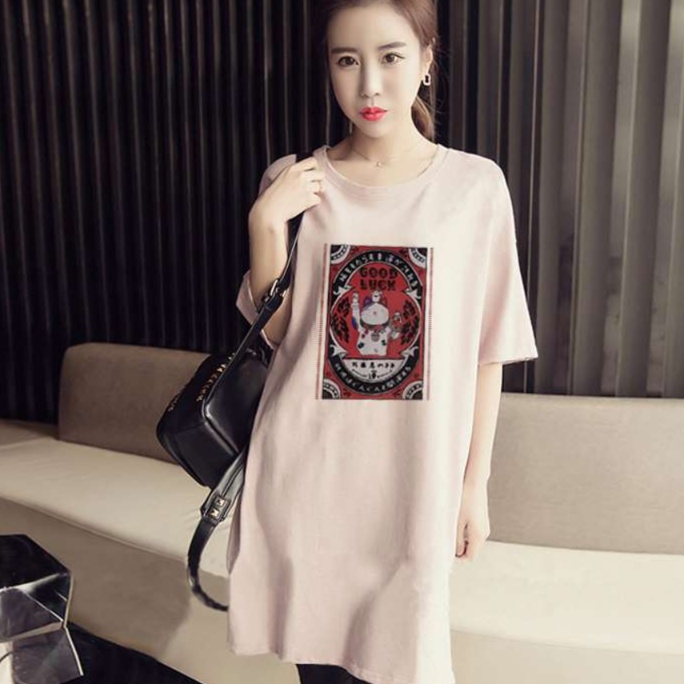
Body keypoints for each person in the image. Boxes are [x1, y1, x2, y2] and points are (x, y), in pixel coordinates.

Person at [226, 1, 539, 683]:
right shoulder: (294, 182)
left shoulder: (474, 187)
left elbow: (488, 349)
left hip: (412, 486)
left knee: (406, 660)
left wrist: (474, 485)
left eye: (391, 57)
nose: (369, 84)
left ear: (426, 62)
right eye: (347, 60)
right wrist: (265, 224)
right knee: (321, 670)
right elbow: (278, 337)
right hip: (307, 479)